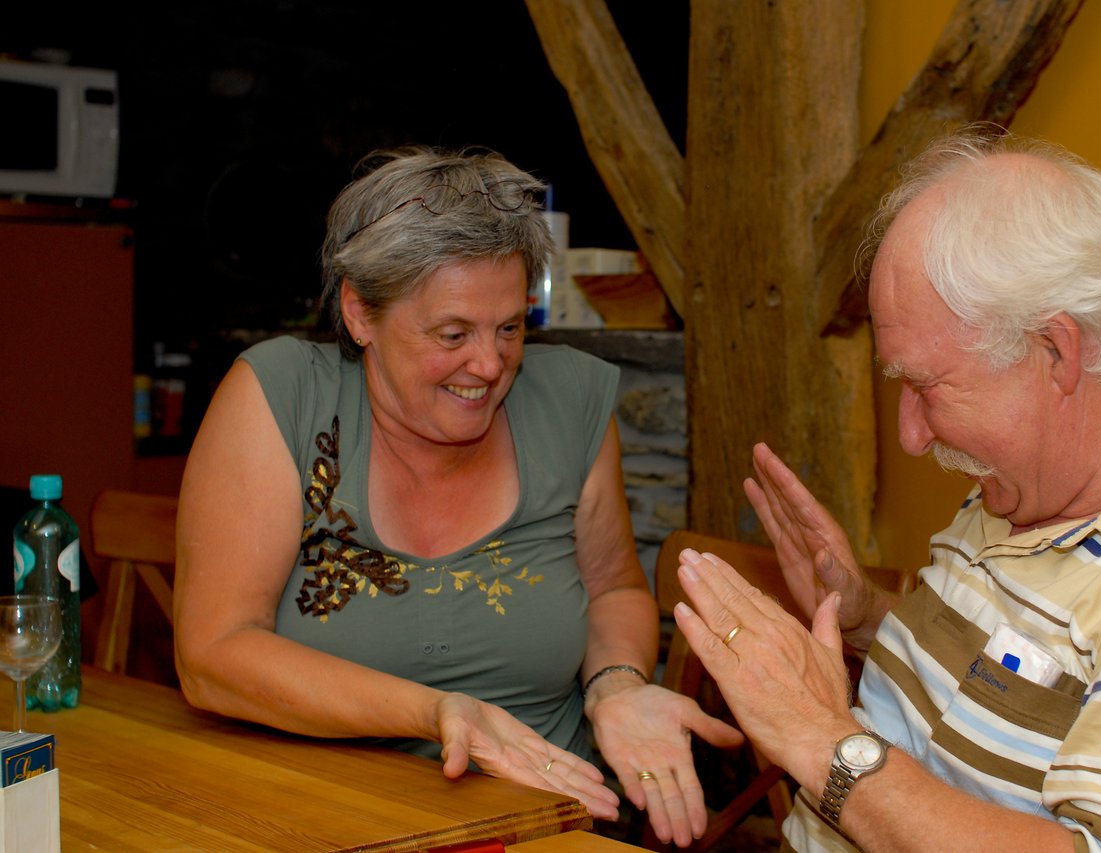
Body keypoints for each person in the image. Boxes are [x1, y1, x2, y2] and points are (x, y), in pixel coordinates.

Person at [671, 124, 1101, 851]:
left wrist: (823, 743)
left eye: (928, 386)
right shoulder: (1028, 483)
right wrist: (867, 615)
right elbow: (1011, 675)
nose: (912, 434)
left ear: (1055, 351)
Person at [173, 144, 740, 848]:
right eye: (453, 333)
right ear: (359, 313)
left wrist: (616, 684)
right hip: (316, 820)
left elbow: (615, 587)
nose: (490, 363)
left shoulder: (568, 401)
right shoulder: (282, 395)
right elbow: (213, 653)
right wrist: (439, 712)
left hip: (542, 824)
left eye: (509, 327)